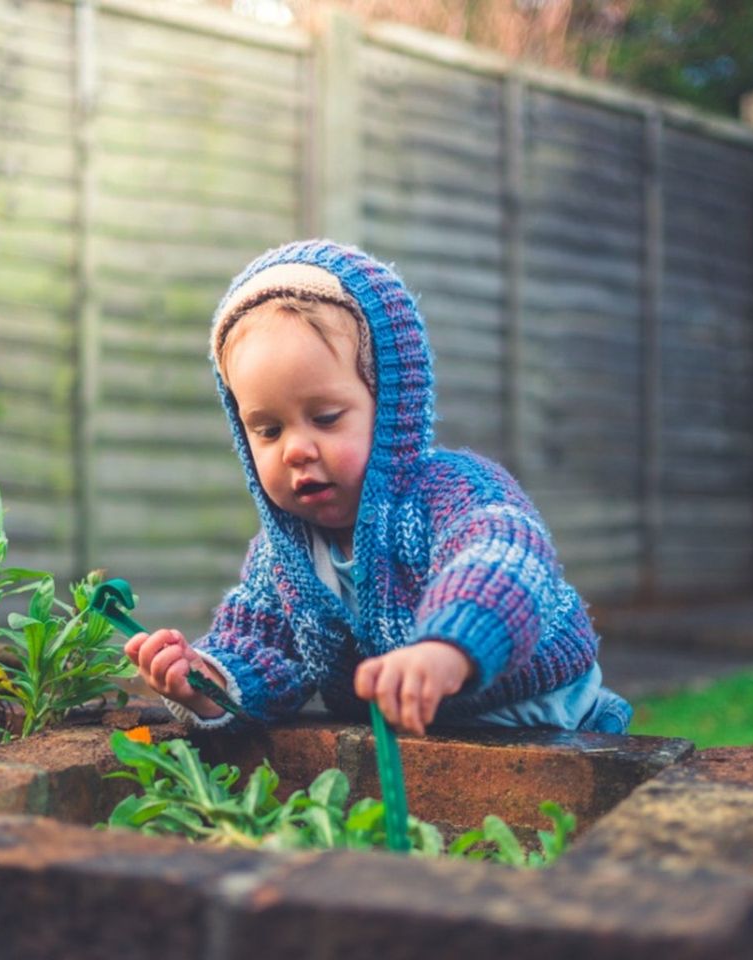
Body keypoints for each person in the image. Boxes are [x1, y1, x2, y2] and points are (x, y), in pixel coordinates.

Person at [124, 239, 631, 736]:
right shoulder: (283, 557)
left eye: (325, 418)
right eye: (268, 430)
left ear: (391, 408)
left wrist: (446, 649)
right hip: (421, 747)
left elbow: (503, 560)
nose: (295, 450)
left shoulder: (450, 494)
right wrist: (205, 682)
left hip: (549, 719)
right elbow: (261, 653)